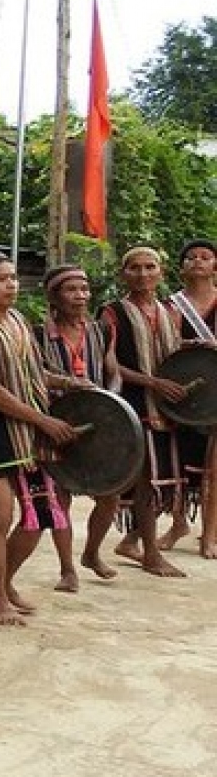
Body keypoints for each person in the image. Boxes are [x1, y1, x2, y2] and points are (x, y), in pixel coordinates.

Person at [0, 251, 84, 626]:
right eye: (1, 279)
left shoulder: (18, 321)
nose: (11, 284)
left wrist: (70, 382)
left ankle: (3, 584)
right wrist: (43, 420)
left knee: (40, 516)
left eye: (13, 278)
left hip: (27, 432)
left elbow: (34, 372)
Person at [96, 246, 189, 578]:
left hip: (166, 407)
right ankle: (150, 553)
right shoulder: (111, 313)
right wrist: (152, 382)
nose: (143, 273)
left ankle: (126, 544)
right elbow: (109, 363)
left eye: (150, 267)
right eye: (134, 267)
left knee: (155, 479)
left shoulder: (170, 312)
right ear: (124, 274)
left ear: (161, 273)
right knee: (146, 479)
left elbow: (178, 356)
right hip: (132, 404)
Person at [37, 264, 122, 589]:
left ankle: (91, 553)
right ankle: (67, 568)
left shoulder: (100, 330)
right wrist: (70, 383)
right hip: (58, 421)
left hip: (100, 422)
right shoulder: (38, 333)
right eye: (71, 290)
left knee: (110, 493)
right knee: (60, 497)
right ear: (54, 296)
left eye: (84, 289)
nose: (80, 296)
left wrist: (110, 397)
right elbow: (34, 375)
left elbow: (113, 370)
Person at [167, 237, 217, 559]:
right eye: (191, 258)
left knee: (216, 464)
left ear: (215, 266)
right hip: (183, 389)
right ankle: (178, 523)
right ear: (182, 267)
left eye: (205, 257)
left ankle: (209, 534)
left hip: (216, 389)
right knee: (178, 457)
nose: (197, 262)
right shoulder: (171, 305)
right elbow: (165, 345)